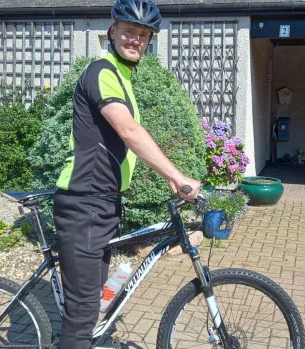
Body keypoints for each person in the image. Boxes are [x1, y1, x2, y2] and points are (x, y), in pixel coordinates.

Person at [52, 0, 201, 347]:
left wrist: (166, 177)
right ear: (113, 30)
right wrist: (178, 175)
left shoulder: (121, 77)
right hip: (83, 203)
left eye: (143, 35)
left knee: (92, 301)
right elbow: (128, 131)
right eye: (130, 31)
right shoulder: (102, 71)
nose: (136, 39)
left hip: (101, 203)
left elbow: (124, 141)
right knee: (82, 315)